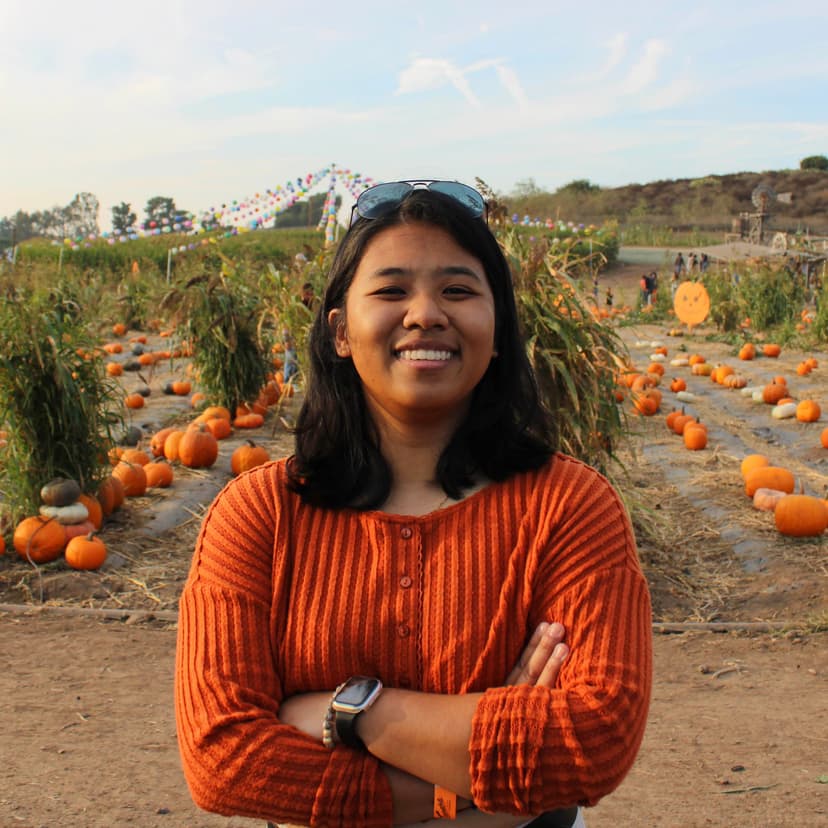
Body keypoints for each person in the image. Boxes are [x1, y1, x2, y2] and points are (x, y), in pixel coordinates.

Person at [175, 180, 652, 828]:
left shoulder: (570, 507)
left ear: (499, 329)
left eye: (457, 290)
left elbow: (593, 740)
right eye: (392, 290)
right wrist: (477, 788)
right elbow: (225, 758)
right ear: (340, 330)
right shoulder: (258, 515)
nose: (426, 313)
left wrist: (353, 712)